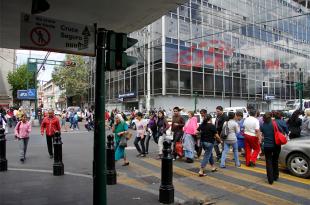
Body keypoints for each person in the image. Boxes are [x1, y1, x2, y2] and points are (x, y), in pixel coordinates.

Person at [260, 112, 281, 184]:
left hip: (267, 146)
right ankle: (276, 176)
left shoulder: (263, 125)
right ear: (271, 116)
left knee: (268, 162)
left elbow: (262, 133)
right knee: (275, 160)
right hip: (276, 145)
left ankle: (270, 179)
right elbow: (281, 131)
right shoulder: (275, 123)